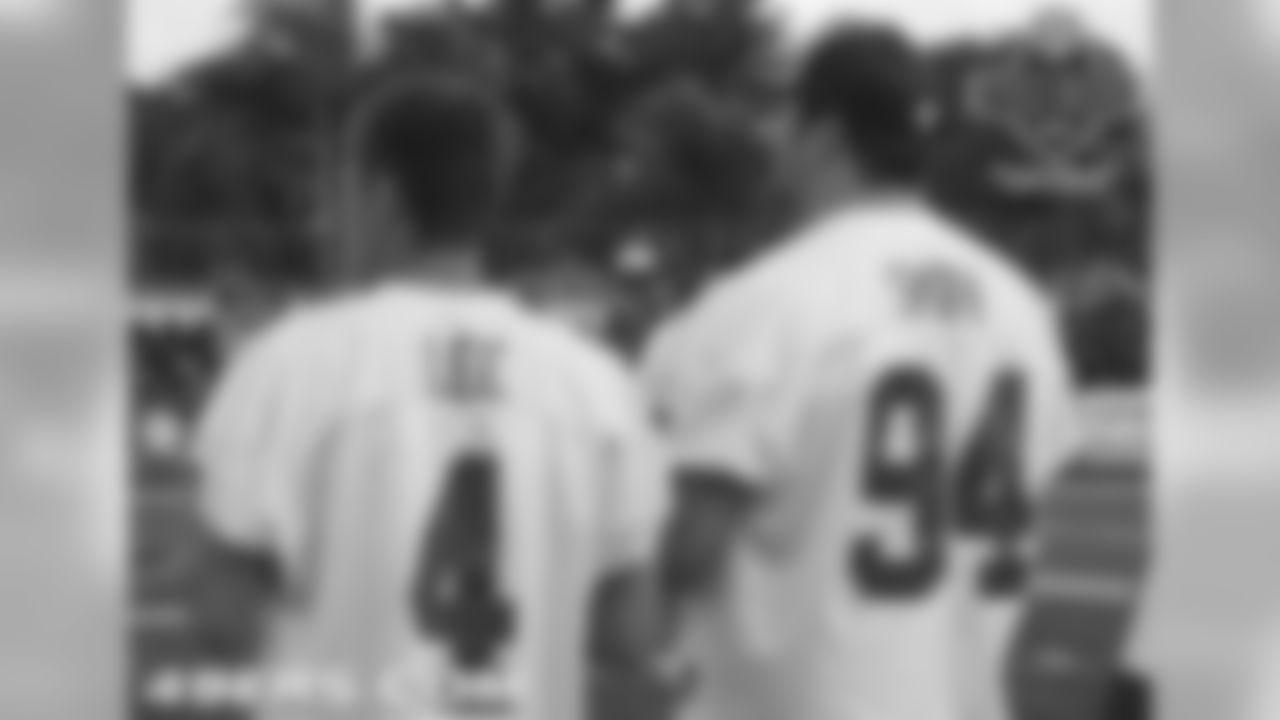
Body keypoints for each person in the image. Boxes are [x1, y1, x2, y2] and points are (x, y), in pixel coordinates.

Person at [190, 73, 670, 720]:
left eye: (339, 192)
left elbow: (224, 618)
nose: (330, 217)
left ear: (380, 194)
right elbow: (628, 632)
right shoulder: (597, 382)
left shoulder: (286, 363)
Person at [643, 23, 1078, 720]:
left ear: (823, 135)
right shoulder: (1022, 307)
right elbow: (1031, 513)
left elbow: (690, 545)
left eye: (788, 119)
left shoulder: (768, 301)